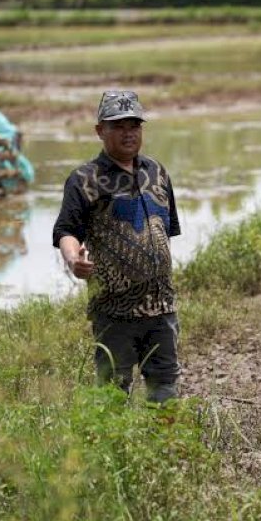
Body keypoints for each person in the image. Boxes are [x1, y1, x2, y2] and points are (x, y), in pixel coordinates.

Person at [53, 90, 181, 403]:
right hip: (114, 312)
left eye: (134, 125)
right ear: (100, 131)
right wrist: (73, 260)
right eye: (118, 126)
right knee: (112, 394)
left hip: (162, 308)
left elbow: (167, 232)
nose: (128, 133)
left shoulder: (158, 173)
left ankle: (163, 448)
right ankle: (115, 452)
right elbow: (66, 230)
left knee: (165, 388)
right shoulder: (84, 179)